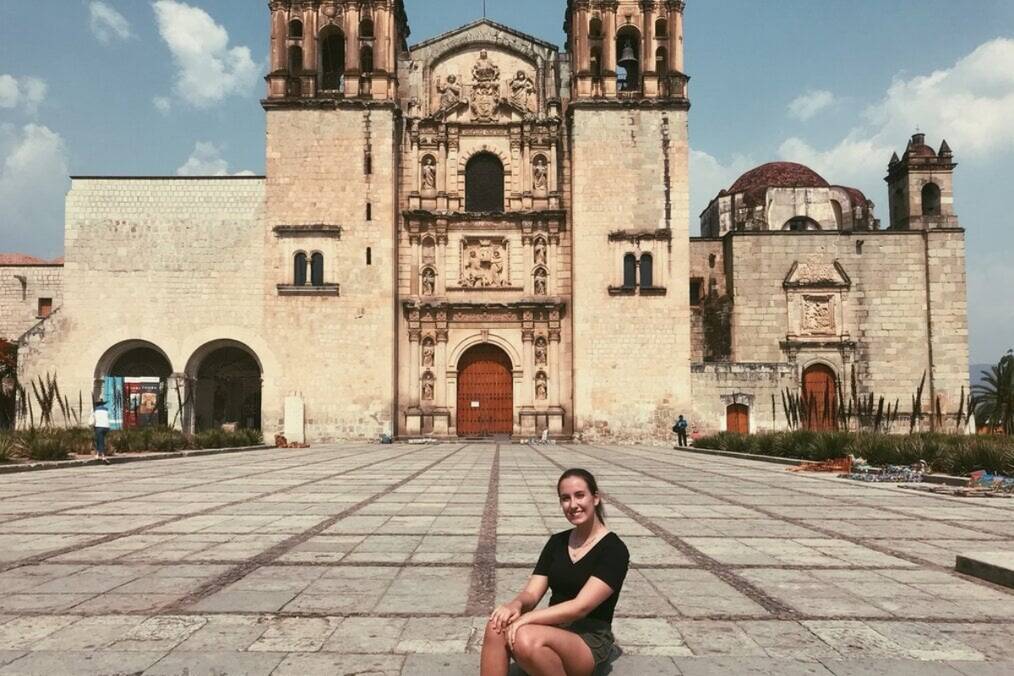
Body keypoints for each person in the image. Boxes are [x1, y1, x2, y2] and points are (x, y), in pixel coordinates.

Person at [481, 468, 629, 676]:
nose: (573, 505)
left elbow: (581, 607)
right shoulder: (557, 542)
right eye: (565, 498)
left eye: (580, 495)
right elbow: (532, 594)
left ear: (595, 498)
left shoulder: (614, 549)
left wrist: (527, 619)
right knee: (495, 626)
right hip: (555, 627)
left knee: (526, 637)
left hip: (588, 637)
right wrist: (515, 605)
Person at [89, 399, 111, 464]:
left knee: (100, 441)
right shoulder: (106, 409)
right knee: (99, 440)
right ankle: (97, 455)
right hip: (106, 427)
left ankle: (104, 457)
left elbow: (92, 418)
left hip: (99, 426)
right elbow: (108, 416)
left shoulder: (94, 410)